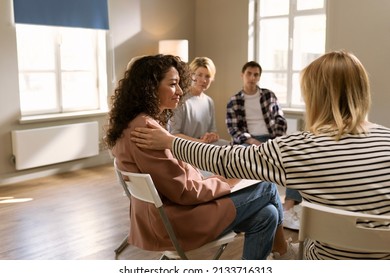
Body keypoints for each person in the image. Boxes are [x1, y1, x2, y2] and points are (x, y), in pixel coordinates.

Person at [130, 50, 390, 259]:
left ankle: (282, 250)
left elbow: (226, 159)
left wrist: (170, 141)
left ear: (316, 98)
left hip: (320, 264)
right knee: (268, 212)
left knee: (275, 216)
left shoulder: (298, 148)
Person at [105, 54, 297, 260]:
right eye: (173, 84)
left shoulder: (134, 122)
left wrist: (212, 179)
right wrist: (225, 182)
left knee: (267, 214)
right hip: (180, 222)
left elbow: (176, 180)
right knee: (266, 186)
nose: (180, 91)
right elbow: (185, 191)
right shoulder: (146, 129)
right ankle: (284, 252)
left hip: (169, 214)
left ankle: (275, 255)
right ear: (150, 87)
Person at [226, 60, 302, 230]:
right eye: (249, 74)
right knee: (244, 160)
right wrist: (252, 141)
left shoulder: (268, 95)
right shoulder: (234, 100)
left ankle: (288, 207)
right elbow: (233, 130)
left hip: (270, 138)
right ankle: (252, 206)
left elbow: (280, 120)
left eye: (256, 75)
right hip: (246, 141)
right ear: (242, 75)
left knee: (294, 158)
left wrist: (275, 141)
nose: (252, 78)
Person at [168, 57, 230, 146]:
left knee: (232, 147)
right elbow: (174, 134)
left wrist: (213, 136)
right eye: (199, 75)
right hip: (186, 147)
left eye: (208, 76)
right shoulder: (179, 99)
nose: (204, 80)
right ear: (191, 75)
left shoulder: (209, 101)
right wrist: (200, 143)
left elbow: (213, 131)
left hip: (203, 147)